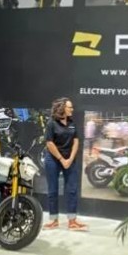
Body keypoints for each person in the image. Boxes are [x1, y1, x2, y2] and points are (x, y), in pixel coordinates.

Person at [43, 97, 86, 231]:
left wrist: (70, 159)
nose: (72, 109)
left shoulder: (72, 123)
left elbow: (76, 141)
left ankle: (72, 221)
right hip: (53, 159)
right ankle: (53, 221)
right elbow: (49, 143)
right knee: (53, 190)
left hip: (69, 159)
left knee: (72, 189)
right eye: (69, 107)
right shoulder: (51, 123)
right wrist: (62, 159)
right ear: (62, 108)